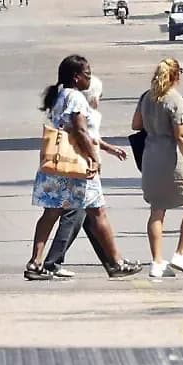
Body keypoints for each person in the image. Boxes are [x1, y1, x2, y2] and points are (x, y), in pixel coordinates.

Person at [28, 56, 141, 280]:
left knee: (51, 212)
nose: (90, 78)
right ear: (76, 77)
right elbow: (80, 131)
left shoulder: (59, 96)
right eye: (87, 74)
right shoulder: (76, 97)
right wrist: (93, 158)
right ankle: (117, 262)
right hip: (78, 166)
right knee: (98, 212)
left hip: (58, 162)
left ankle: (36, 262)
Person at [133, 59, 183, 279]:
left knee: (157, 209)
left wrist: (153, 123)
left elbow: (136, 125)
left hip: (150, 157)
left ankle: (156, 261)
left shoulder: (146, 97)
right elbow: (181, 135)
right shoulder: (176, 101)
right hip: (172, 157)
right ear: (176, 76)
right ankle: (181, 253)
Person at [42, 76, 119, 278]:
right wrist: (95, 159)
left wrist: (108, 149)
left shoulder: (63, 99)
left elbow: (89, 136)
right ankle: (52, 261)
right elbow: (83, 134)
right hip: (79, 167)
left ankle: (112, 262)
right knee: (79, 215)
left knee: (90, 219)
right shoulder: (80, 106)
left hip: (74, 165)